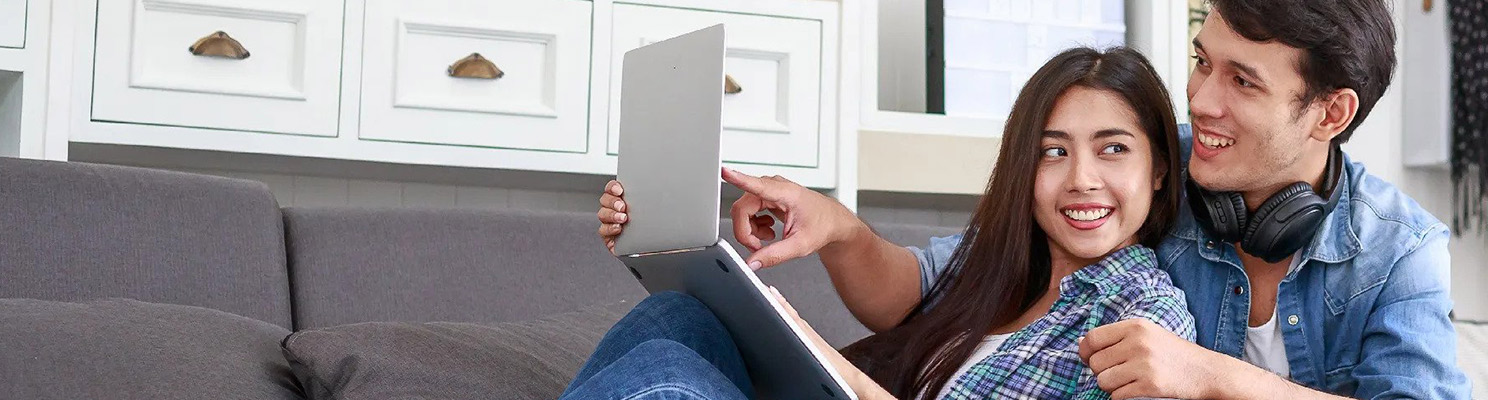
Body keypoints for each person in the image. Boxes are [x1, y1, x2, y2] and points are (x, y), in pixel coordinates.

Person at [567, 47, 1193, 400]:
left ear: (1161, 168)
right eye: (1052, 151)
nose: (1082, 178)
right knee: (677, 318)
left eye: (1114, 149)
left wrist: (807, 342)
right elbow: (903, 288)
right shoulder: (998, 263)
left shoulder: (1143, 319)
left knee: (669, 382)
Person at [1072, 1, 1471, 398]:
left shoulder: (1401, 248)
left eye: (1243, 82)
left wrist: (1209, 374)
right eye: (1203, 62)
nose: (1200, 102)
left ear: (1331, 114)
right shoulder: (1145, 168)